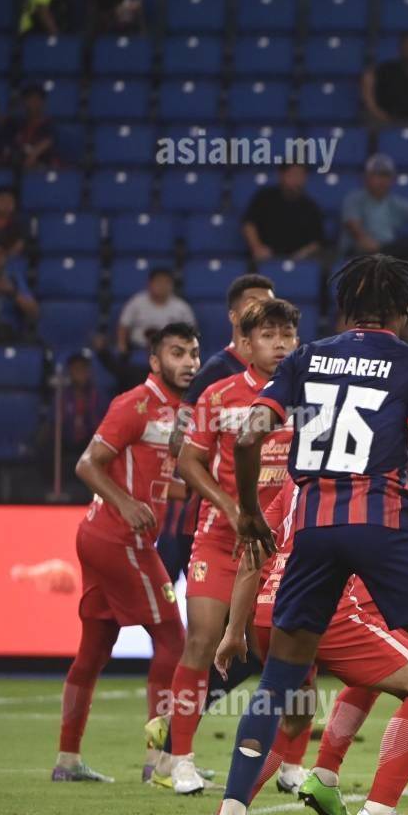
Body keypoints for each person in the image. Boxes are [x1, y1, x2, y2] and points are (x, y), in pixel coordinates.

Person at [202, 254, 408, 815]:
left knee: (278, 681)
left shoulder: (307, 358)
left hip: (312, 530)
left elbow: (250, 433)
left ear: (346, 309)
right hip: (382, 524)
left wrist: (251, 512)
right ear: (401, 311)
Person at [211, 478, 408, 815]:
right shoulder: (356, 477)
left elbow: (254, 550)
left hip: (271, 611)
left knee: (290, 715)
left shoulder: (293, 480)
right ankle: (380, 813)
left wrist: (234, 629)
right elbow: (376, 544)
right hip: (326, 611)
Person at [162, 299, 300, 796]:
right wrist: (231, 507)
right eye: (268, 335)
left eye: (287, 335)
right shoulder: (219, 395)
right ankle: (179, 760)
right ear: (245, 343)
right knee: (200, 641)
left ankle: (292, 764)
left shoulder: (309, 396)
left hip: (283, 544)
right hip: (221, 540)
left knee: (293, 651)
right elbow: (188, 462)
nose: (280, 344)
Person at [53, 323, 200, 783]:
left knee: (94, 650)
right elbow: (86, 465)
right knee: (173, 639)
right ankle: (158, 761)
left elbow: (158, 482)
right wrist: (126, 503)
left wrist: (201, 492)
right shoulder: (135, 404)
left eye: (194, 353)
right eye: (177, 353)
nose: (189, 362)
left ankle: (67, 760)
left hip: (103, 536)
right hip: (120, 538)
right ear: (155, 361)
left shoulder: (179, 411)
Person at [148, 275, 276, 755]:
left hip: (264, 531)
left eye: (270, 308)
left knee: (252, 647)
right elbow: (180, 443)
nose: (264, 315)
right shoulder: (217, 374)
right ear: (235, 319)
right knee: (200, 641)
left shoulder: (286, 378)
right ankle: (172, 745)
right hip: (206, 527)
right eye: (254, 307)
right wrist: (229, 493)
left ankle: (176, 727)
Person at [242, 164, 325, 262]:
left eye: (301, 175)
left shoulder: (311, 207)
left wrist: (299, 256)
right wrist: (257, 248)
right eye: (293, 174)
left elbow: (316, 243)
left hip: (298, 262)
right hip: (264, 260)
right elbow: (249, 224)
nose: (297, 179)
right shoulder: (264, 198)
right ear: (281, 175)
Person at [116, 267, 195, 356]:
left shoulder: (182, 307)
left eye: (167, 282)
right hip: (138, 348)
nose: (162, 286)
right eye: (159, 282)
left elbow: (191, 331)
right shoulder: (136, 302)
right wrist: (122, 346)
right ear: (150, 284)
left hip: (172, 352)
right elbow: (124, 326)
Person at [59, 351, 108, 464]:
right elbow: (55, 423)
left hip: (91, 443)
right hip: (67, 442)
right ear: (70, 372)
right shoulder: (62, 396)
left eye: (83, 369)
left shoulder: (98, 396)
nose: (80, 373)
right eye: (76, 369)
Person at [10, 84, 57, 170]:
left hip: (42, 169)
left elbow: (47, 143)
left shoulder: (50, 125)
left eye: (37, 99)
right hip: (19, 168)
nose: (34, 103)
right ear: (24, 102)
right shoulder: (17, 125)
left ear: (43, 102)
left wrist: (32, 156)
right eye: (30, 99)